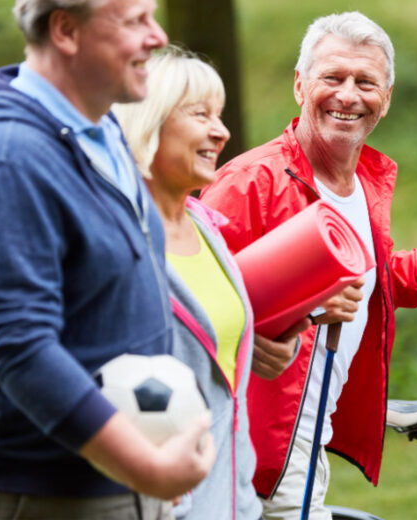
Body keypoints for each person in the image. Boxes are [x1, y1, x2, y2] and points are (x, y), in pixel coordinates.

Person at [0, 0, 216, 519]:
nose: (158, 37)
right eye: (135, 20)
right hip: (31, 496)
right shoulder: (5, 159)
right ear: (66, 30)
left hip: (108, 481)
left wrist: (156, 443)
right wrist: (144, 466)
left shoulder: (100, 130)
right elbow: (20, 347)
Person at [200, 11, 417, 519]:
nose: (348, 95)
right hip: (253, 442)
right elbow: (191, 302)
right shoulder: (251, 183)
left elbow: (371, 281)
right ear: (300, 86)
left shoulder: (364, 183)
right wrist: (299, 310)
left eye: (365, 82)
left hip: (309, 436)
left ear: (385, 100)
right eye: (333, 77)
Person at [114, 47, 307, 520]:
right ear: (148, 120)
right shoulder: (115, 238)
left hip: (231, 497)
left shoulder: (206, 227)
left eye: (219, 116)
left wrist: (263, 343)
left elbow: (213, 350)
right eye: (200, 115)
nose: (221, 131)